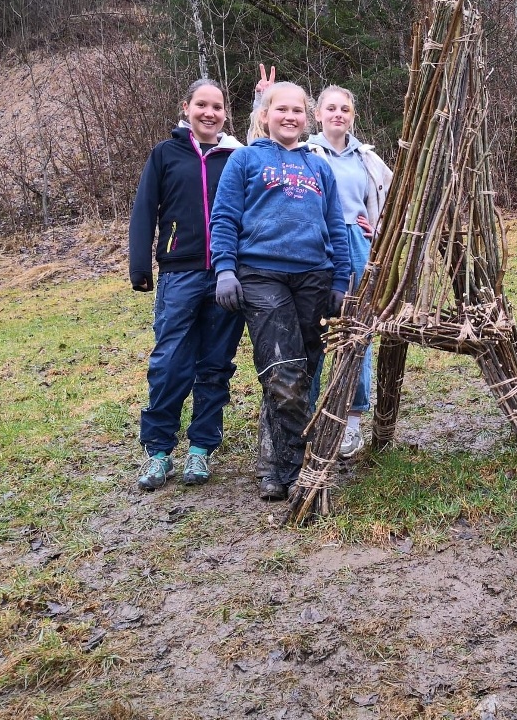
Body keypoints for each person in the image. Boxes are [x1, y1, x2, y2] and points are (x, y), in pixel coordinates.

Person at [209, 81, 351, 501]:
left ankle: (271, 465)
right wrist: (225, 271)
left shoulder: (318, 166)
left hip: (315, 277)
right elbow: (225, 218)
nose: (290, 117)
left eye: (297, 111)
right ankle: (300, 467)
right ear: (265, 115)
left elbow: (336, 227)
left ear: (307, 118)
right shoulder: (245, 160)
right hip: (261, 276)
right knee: (283, 373)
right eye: (281, 109)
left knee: (299, 374)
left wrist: (341, 281)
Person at [128, 78, 245, 492]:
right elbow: (144, 209)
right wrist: (140, 264)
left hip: (228, 276)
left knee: (214, 365)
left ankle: (201, 448)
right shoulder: (165, 153)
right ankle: (158, 451)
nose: (209, 113)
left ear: (225, 113)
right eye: (201, 105)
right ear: (186, 107)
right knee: (170, 362)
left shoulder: (236, 157)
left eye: (217, 106)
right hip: (179, 273)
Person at [306, 85, 393, 458]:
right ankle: (306, 417)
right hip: (316, 244)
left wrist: (379, 227)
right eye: (331, 108)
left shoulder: (367, 159)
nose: (338, 114)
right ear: (318, 114)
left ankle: (352, 421)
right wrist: (264, 99)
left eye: (345, 109)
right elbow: (261, 147)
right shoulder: (305, 152)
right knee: (314, 328)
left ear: (352, 116)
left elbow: (393, 195)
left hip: (357, 243)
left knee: (358, 330)